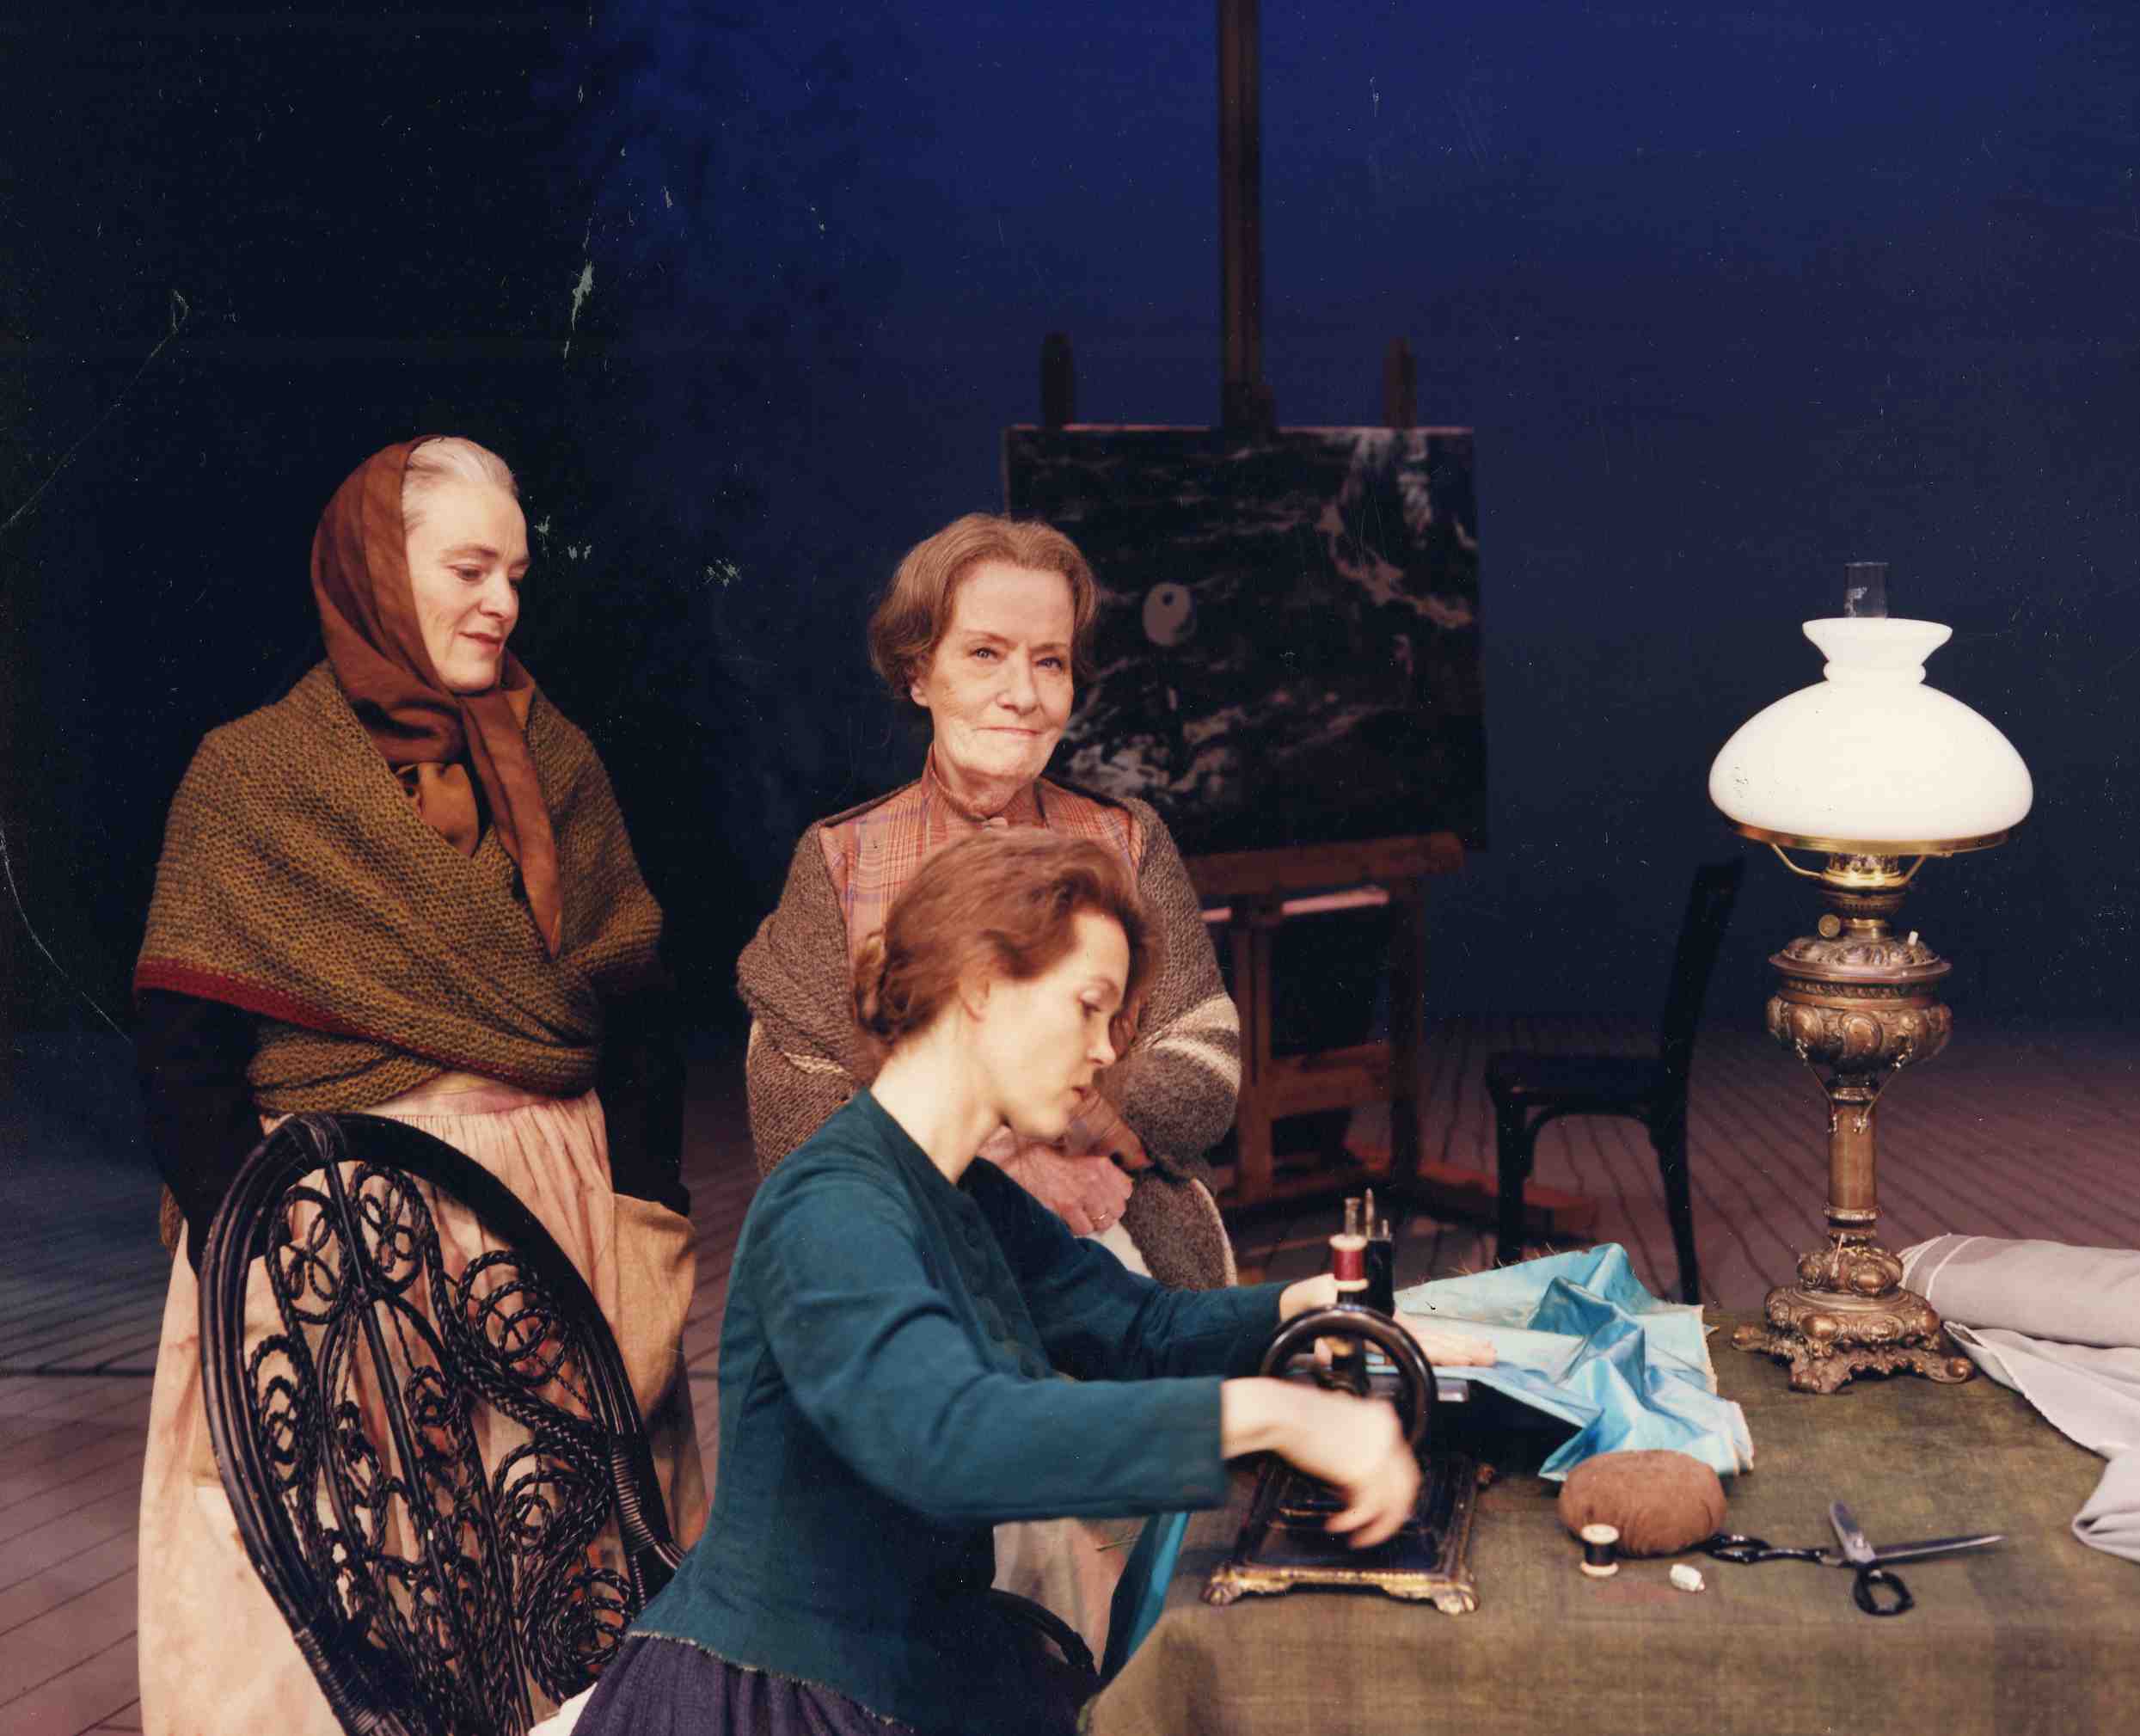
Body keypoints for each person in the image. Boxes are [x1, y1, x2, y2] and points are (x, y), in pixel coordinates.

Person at [558, 829, 1493, 1736]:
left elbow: (1138, 1328)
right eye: (1088, 1006)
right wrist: (1274, 1413)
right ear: (979, 986)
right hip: (779, 1697)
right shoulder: (832, 1206)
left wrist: (1307, 1309)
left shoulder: (959, 1189)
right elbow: (949, 1436)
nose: (1106, 1051)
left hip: (906, 1667)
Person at [131, 436, 704, 1736]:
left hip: (550, 1225)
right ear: (378, 573)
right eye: (468, 569)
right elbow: (182, 1055)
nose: (501, 602)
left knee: (564, 1569)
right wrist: (267, 1259)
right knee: (348, 1569)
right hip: (329, 1233)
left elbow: (637, 1013)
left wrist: (645, 1225)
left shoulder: (557, 761)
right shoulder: (254, 774)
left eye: (516, 575)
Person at [735, 512, 1245, 1650]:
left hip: (1119, 1243)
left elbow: (1203, 1060)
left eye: (1049, 660)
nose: (1021, 691)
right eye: (984, 653)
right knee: (980, 1583)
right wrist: (1014, 1174)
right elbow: (795, 1104)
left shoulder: (1125, 841)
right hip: (919, 1276)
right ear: (917, 670)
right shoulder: (840, 860)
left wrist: (1087, 1117)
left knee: (1147, 1586)